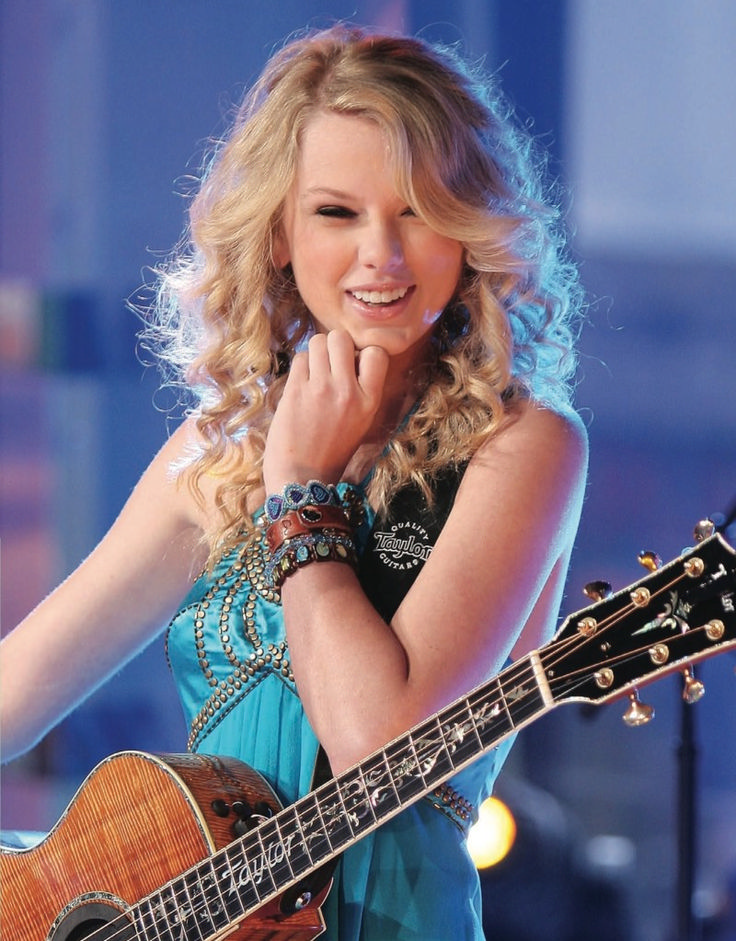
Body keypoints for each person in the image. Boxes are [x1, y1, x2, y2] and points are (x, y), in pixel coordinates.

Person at [0, 23, 588, 940]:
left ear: (470, 229)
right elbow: (14, 693)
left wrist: (303, 488)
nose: (380, 257)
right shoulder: (223, 447)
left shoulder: (526, 448)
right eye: (335, 213)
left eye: (418, 209)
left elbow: (376, 740)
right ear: (278, 233)